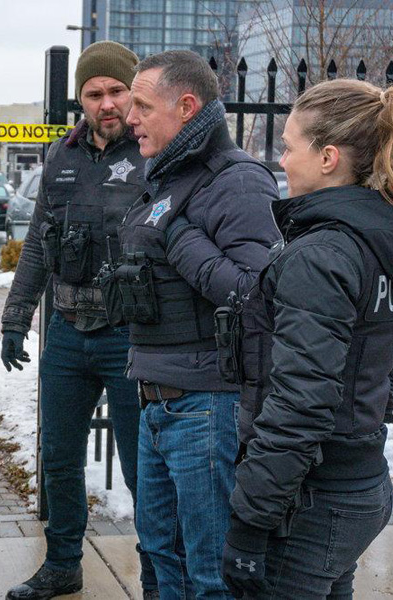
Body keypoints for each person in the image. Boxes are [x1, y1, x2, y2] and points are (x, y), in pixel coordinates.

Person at [221, 79, 393, 599]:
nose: (283, 161)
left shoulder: (326, 253)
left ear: (328, 157)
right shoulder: (376, 239)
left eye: (289, 147)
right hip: (355, 482)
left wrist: (250, 520)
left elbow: (301, 401)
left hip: (316, 499)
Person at [117, 50, 280, 598]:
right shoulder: (165, 176)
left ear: (186, 107)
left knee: (210, 570)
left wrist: (180, 239)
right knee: (161, 552)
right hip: (156, 397)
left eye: (142, 104)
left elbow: (259, 297)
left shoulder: (237, 182)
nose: (128, 116)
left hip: (206, 404)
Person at [1, 41, 158, 599]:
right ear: (81, 101)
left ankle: (158, 576)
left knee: (145, 471)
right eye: (95, 93)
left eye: (117, 91)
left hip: (131, 336)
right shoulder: (59, 157)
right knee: (59, 459)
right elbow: (38, 247)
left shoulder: (153, 154)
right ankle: (63, 563)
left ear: (133, 93)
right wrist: (15, 318)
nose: (107, 102)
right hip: (68, 333)